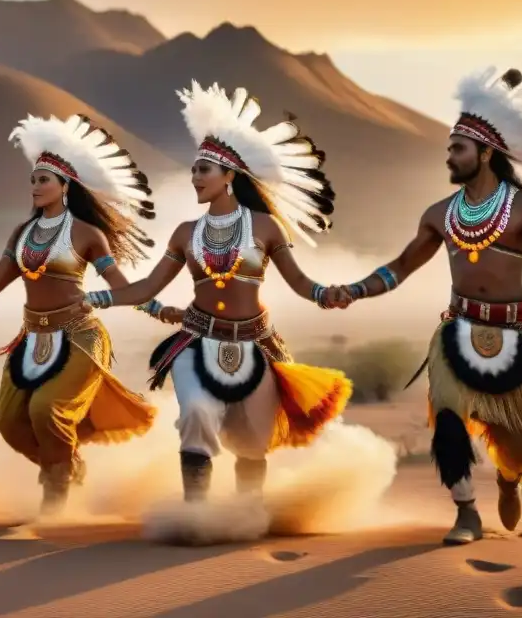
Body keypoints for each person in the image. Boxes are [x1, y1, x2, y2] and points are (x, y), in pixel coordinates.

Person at [330, 66, 522, 545]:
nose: (449, 156)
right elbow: (401, 266)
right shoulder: (439, 215)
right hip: (456, 333)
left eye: (458, 148)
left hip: (517, 338)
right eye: (449, 147)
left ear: (486, 152)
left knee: (519, 446)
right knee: (447, 416)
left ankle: (508, 481)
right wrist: (356, 289)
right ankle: (466, 510)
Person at [83, 81, 353, 502]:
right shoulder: (185, 233)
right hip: (196, 341)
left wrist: (327, 294)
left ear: (230, 176)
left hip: (257, 344)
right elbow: (147, 287)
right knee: (195, 416)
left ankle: (247, 516)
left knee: (253, 441)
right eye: (192, 169)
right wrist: (96, 298)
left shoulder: (265, 227)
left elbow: (300, 282)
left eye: (203, 170)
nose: (194, 177)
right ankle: (196, 514)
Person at [0, 113, 171, 516]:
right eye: (32, 179)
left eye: (44, 180)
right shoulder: (21, 235)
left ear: (65, 186)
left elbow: (121, 286)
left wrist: (157, 308)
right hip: (30, 340)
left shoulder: (87, 234)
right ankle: (67, 467)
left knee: (45, 409)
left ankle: (56, 504)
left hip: (80, 338)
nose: (35, 186)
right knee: (9, 423)